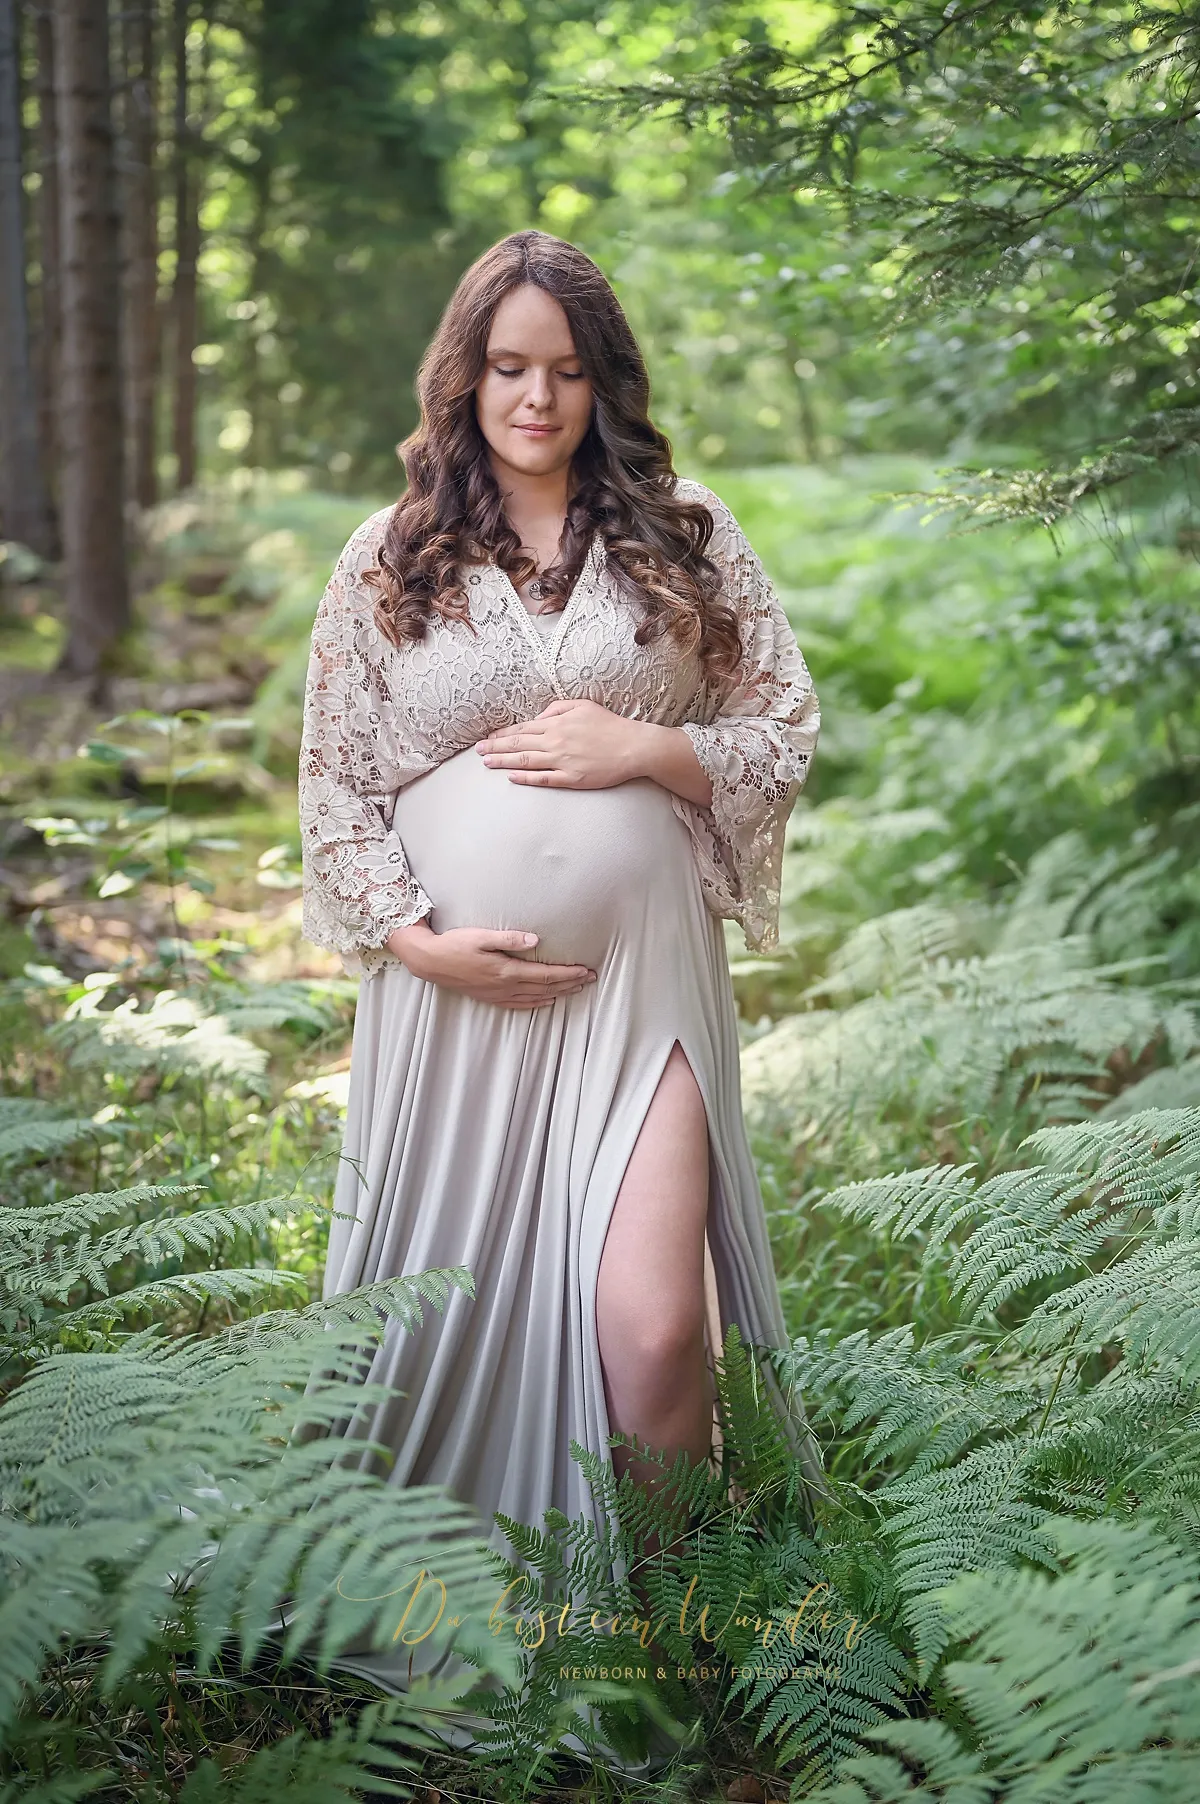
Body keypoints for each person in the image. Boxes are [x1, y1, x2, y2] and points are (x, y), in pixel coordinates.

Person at [296, 229, 824, 1710]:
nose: (537, 398)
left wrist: (644, 746)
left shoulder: (688, 530)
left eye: (568, 370)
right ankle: (464, 1616)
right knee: (441, 1328)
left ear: (605, 380)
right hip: (447, 1011)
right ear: (464, 377)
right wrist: (413, 937)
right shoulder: (393, 551)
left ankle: (659, 1647)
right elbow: (332, 783)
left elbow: (780, 730)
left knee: (658, 1329)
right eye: (510, 367)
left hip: (639, 991)